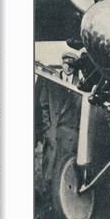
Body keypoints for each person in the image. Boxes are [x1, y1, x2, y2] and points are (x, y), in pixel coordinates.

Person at [38, 51, 81, 184]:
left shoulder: (80, 84)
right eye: (65, 64)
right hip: (54, 132)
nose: (68, 67)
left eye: (71, 64)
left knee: (66, 170)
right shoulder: (52, 82)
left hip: (70, 135)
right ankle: (47, 199)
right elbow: (43, 105)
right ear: (62, 64)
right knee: (50, 168)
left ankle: (62, 201)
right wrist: (48, 128)